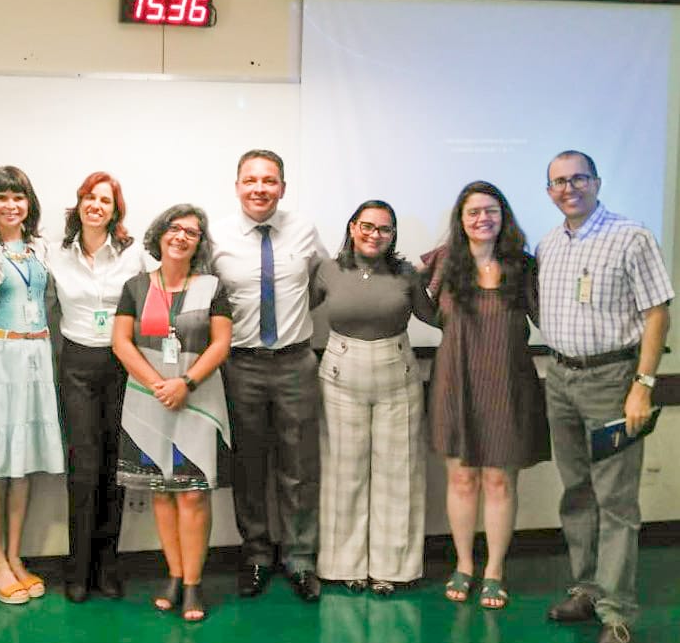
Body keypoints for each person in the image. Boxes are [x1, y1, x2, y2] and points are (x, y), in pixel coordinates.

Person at [537, 151, 672, 643]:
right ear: (549, 191)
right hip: (560, 377)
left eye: (578, 178)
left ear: (596, 182)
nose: (568, 188)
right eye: (558, 182)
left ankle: (616, 615)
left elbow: (658, 313)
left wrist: (644, 383)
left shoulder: (631, 236)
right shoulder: (549, 243)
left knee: (615, 502)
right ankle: (587, 591)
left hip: (613, 379)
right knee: (576, 493)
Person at [421, 182, 549, 610]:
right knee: (461, 478)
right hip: (454, 382)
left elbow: (547, 316)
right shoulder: (443, 264)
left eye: (490, 211)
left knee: (498, 481)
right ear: (461, 220)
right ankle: (463, 564)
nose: (482, 219)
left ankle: (494, 569)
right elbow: (418, 307)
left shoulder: (524, 266)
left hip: (508, 385)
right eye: (473, 212)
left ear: (503, 216)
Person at [209, 148, 325, 602]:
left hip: (296, 362)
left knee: (300, 467)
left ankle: (300, 559)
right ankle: (256, 555)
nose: (260, 188)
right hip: (241, 365)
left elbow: (318, 285)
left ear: (283, 186)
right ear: (237, 185)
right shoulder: (216, 235)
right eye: (251, 180)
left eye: (270, 180)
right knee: (249, 464)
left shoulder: (304, 230)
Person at [112, 204, 232, 622]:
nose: (181, 237)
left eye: (192, 232)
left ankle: (195, 583)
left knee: (194, 494)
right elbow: (121, 342)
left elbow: (220, 344)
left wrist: (186, 383)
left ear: (200, 243)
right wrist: (158, 385)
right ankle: (175, 576)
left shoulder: (212, 286)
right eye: (175, 229)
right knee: (161, 491)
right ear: (160, 234)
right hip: (148, 400)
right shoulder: (135, 286)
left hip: (197, 398)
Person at [314, 200, 433, 596]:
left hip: (396, 374)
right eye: (367, 226)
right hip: (339, 374)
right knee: (343, 472)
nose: (374, 234)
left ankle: (393, 568)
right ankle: (344, 566)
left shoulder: (408, 275)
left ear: (393, 235)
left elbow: (436, 317)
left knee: (398, 473)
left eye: (384, 229)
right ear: (352, 227)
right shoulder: (328, 270)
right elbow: (292, 308)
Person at [0, 166, 65, 605]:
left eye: (18, 197)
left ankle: (17, 556)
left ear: (29, 203)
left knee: (24, 462)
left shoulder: (44, 249)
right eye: (1, 197)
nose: (11, 205)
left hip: (38, 356)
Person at [47, 171, 145, 603]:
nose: (96, 205)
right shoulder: (55, 253)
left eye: (104, 200)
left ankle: (107, 565)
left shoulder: (133, 255)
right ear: (79, 205)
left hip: (120, 363)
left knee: (114, 467)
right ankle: (77, 569)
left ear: (114, 210)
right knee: (83, 468)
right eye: (89, 197)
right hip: (76, 364)